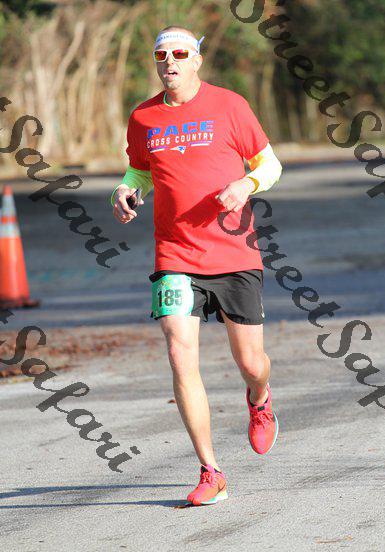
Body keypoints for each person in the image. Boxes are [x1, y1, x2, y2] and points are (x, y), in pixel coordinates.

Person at [111, 25, 283, 506]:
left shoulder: (229, 105)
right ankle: (212, 471)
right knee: (179, 353)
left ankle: (260, 398)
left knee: (251, 363)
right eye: (161, 54)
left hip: (234, 253)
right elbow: (139, 170)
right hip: (175, 254)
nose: (170, 61)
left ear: (197, 60)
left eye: (180, 54)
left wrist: (245, 185)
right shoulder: (143, 117)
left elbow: (270, 164)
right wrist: (124, 191)